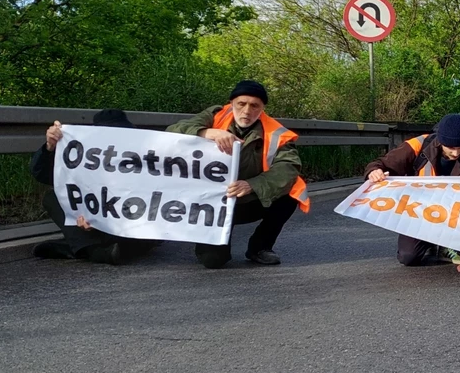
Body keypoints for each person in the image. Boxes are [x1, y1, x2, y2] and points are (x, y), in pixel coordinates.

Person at [166, 80, 310, 268]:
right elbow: (172, 132)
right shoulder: (215, 115)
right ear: (232, 102)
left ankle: (260, 247)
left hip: (246, 199)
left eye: (254, 105)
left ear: (262, 108)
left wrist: (252, 185)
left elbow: (288, 167)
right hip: (210, 202)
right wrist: (207, 132)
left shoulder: (276, 132)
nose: (247, 110)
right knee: (213, 261)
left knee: (291, 192)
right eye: (241, 104)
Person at [29, 109, 160, 265]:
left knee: (144, 238)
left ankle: (83, 249)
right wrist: (50, 148)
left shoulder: (144, 157)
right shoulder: (84, 156)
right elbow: (43, 174)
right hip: (92, 221)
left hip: (133, 226)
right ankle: (92, 249)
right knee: (52, 197)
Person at [364, 113, 460, 274]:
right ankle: (432, 242)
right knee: (408, 257)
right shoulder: (417, 146)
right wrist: (374, 171)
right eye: (451, 148)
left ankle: (446, 244)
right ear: (440, 141)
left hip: (453, 214)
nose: (456, 154)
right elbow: (382, 163)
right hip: (418, 212)